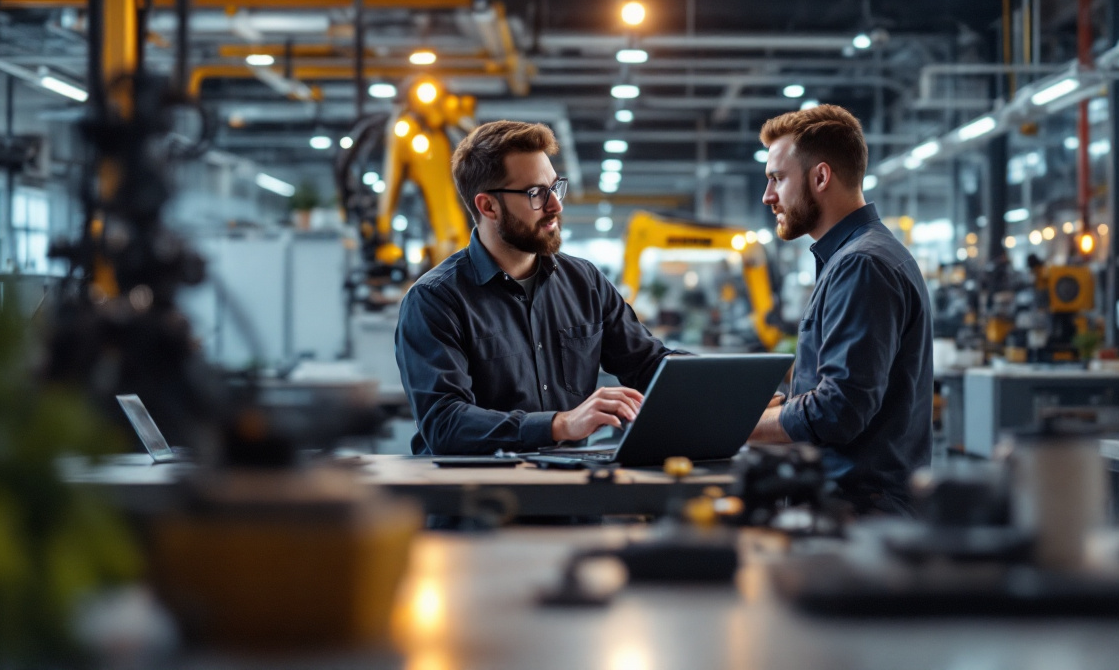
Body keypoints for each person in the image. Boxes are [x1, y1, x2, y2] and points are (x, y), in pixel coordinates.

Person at [395, 120, 682, 455]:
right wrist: (560, 424)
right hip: (480, 499)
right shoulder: (434, 300)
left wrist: (729, 387)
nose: (555, 206)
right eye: (535, 193)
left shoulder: (585, 282)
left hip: (570, 493)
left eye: (554, 187)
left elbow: (649, 365)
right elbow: (444, 423)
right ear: (487, 206)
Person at [748, 105, 932, 515]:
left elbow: (839, 410)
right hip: (857, 503)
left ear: (820, 177)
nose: (768, 196)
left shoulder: (861, 264)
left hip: (859, 510)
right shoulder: (853, 258)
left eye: (777, 178)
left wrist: (736, 429)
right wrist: (774, 406)